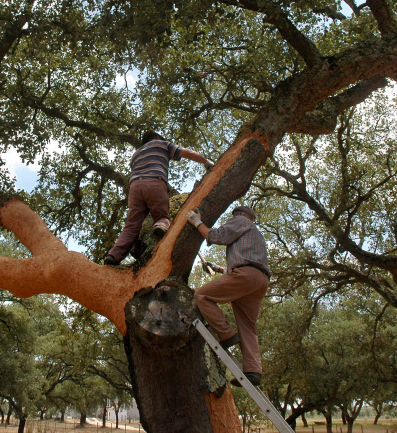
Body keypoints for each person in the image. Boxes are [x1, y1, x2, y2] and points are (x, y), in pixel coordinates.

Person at [187, 205, 271, 386]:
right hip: (259, 280)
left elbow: (217, 236)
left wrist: (197, 222)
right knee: (248, 325)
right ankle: (253, 371)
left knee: (202, 295)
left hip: (245, 275)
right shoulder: (256, 234)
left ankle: (227, 335)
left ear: (240, 215)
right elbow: (248, 264)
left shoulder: (240, 221)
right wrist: (216, 268)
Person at [103, 130, 213, 266]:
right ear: (156, 137)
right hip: (154, 182)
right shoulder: (161, 144)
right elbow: (187, 153)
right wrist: (205, 161)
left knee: (131, 226)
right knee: (161, 215)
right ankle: (160, 225)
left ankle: (113, 255)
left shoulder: (136, 154)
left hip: (135, 188)